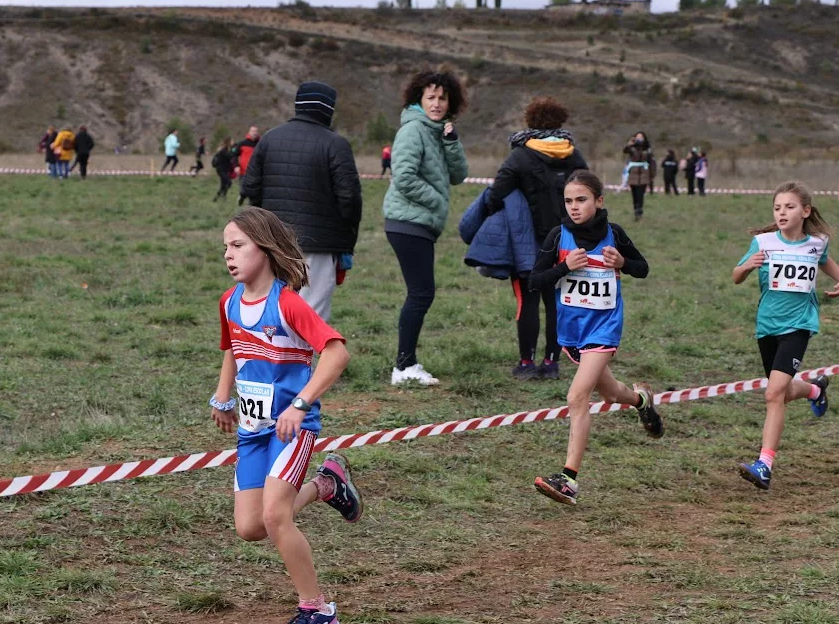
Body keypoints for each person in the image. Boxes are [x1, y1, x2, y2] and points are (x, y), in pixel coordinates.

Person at [210, 206, 362, 624]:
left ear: (266, 248)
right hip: (253, 428)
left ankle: (318, 610)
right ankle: (328, 484)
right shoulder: (229, 301)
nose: (228, 255)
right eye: (225, 247)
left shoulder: (287, 303)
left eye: (238, 245)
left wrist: (299, 404)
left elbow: (336, 353)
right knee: (250, 527)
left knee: (276, 515)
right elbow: (233, 349)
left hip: (292, 428)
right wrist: (223, 397)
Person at [529, 170, 663, 506]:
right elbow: (535, 280)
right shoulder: (557, 236)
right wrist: (563, 268)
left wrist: (623, 262)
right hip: (573, 329)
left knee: (577, 395)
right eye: (569, 201)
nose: (574, 207)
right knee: (611, 392)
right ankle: (641, 401)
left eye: (581, 200)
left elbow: (643, 267)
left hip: (604, 327)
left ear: (599, 201)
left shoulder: (613, 233)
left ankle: (569, 480)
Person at [732, 182, 839, 491]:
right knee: (780, 392)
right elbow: (735, 276)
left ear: (805, 211)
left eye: (789, 207)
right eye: (777, 207)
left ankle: (765, 465)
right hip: (766, 326)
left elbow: (825, 262)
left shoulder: (816, 243)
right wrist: (747, 266)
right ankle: (814, 391)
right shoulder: (763, 242)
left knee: (773, 394)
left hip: (799, 326)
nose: (782, 212)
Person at [241, 81, 362, 324]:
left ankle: (271, 361)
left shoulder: (268, 139)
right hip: (318, 246)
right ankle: (303, 363)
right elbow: (349, 198)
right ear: (328, 109)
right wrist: (346, 236)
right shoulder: (335, 144)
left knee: (273, 308)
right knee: (310, 315)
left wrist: (265, 223)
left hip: (272, 241)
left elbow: (250, 187)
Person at [487, 96, 589, 380]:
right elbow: (589, 193)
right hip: (567, 242)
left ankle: (526, 363)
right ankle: (552, 362)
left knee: (528, 302)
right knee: (558, 302)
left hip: (528, 244)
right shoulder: (574, 155)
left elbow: (496, 194)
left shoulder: (520, 155)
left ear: (529, 122)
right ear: (560, 122)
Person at [383, 68, 469, 386]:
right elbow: (403, 176)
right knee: (421, 293)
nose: (436, 103)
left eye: (442, 98)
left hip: (418, 223)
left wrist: (451, 142)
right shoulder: (413, 130)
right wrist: (436, 201)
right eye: (430, 97)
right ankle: (404, 366)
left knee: (421, 293)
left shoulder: (438, 131)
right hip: (407, 221)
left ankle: (406, 363)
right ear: (419, 99)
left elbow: (459, 175)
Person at [622, 132, 651, 220]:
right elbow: (625, 151)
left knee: (640, 194)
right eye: (637, 137)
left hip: (644, 173)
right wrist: (629, 143)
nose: (639, 138)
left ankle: (639, 212)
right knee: (634, 194)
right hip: (633, 174)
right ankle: (636, 210)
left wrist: (651, 175)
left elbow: (651, 161)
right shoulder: (632, 148)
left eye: (641, 137)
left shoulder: (647, 148)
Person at [234, 125, 260, 205]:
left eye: (256, 131)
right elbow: (234, 155)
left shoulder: (260, 143)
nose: (254, 133)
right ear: (249, 132)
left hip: (256, 171)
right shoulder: (242, 143)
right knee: (244, 188)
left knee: (254, 189)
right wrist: (236, 166)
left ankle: (251, 204)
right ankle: (241, 197)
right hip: (243, 170)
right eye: (253, 131)